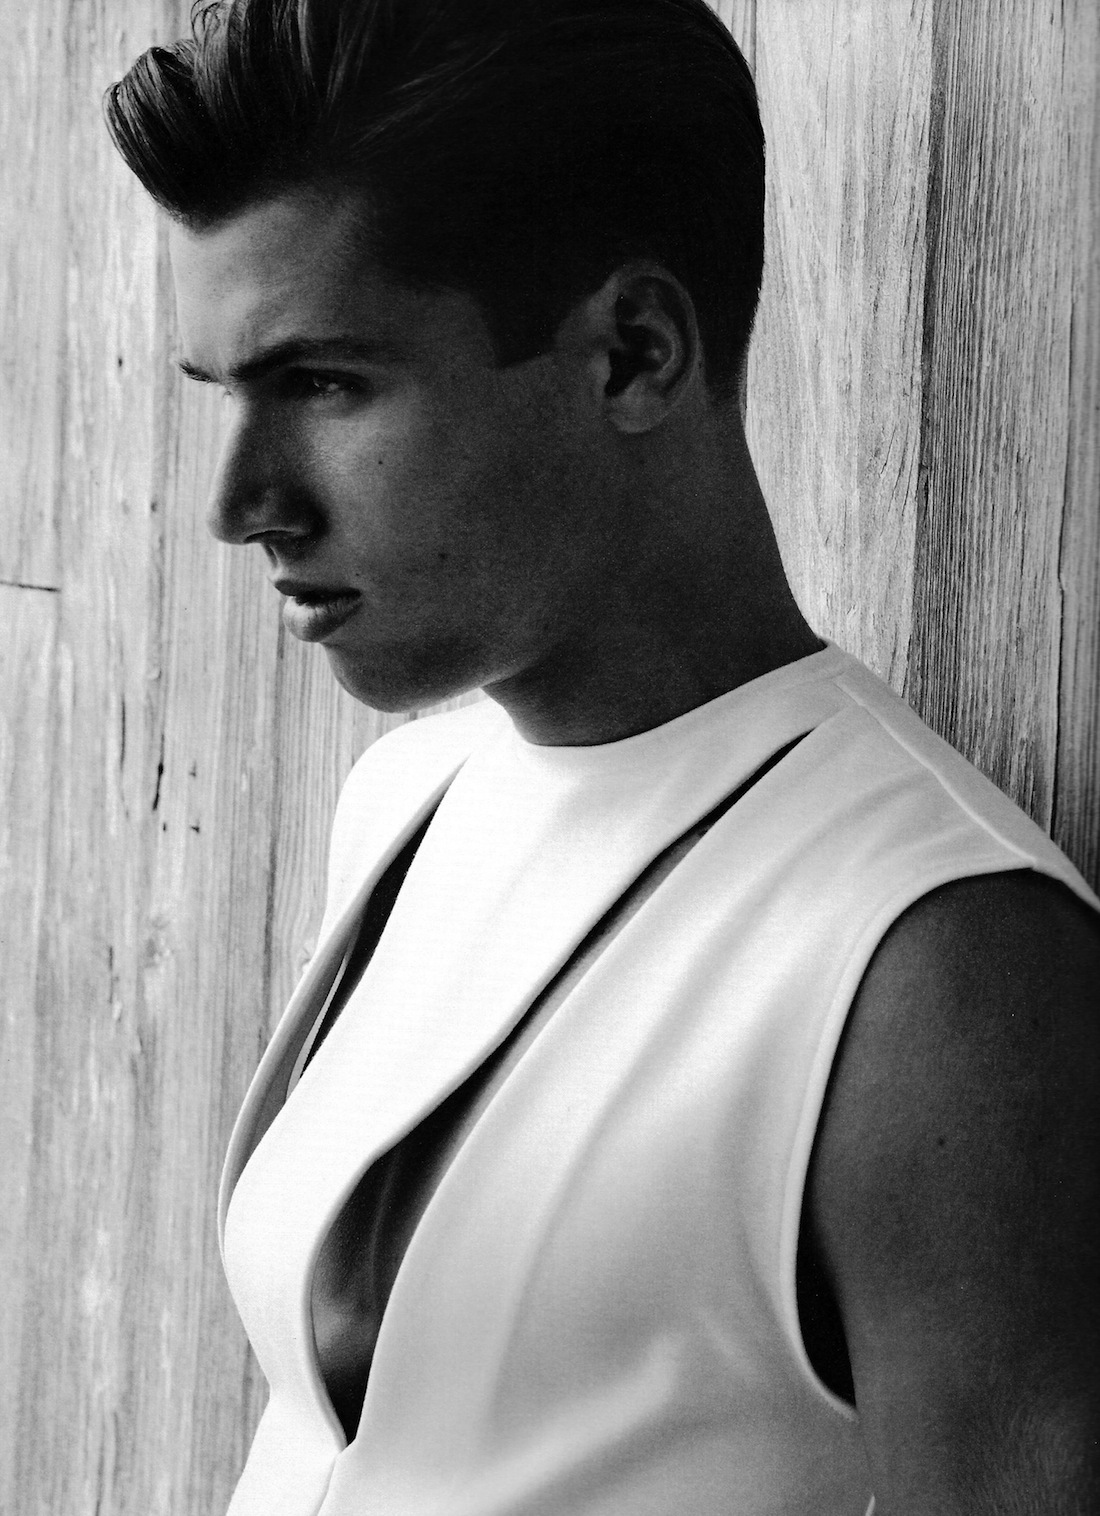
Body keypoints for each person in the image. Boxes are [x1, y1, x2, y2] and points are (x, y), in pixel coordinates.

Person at [105, 2, 1100, 1512]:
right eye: (224, 393)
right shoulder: (413, 795)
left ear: (634, 353)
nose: (242, 504)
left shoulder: (935, 976)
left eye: (325, 384)